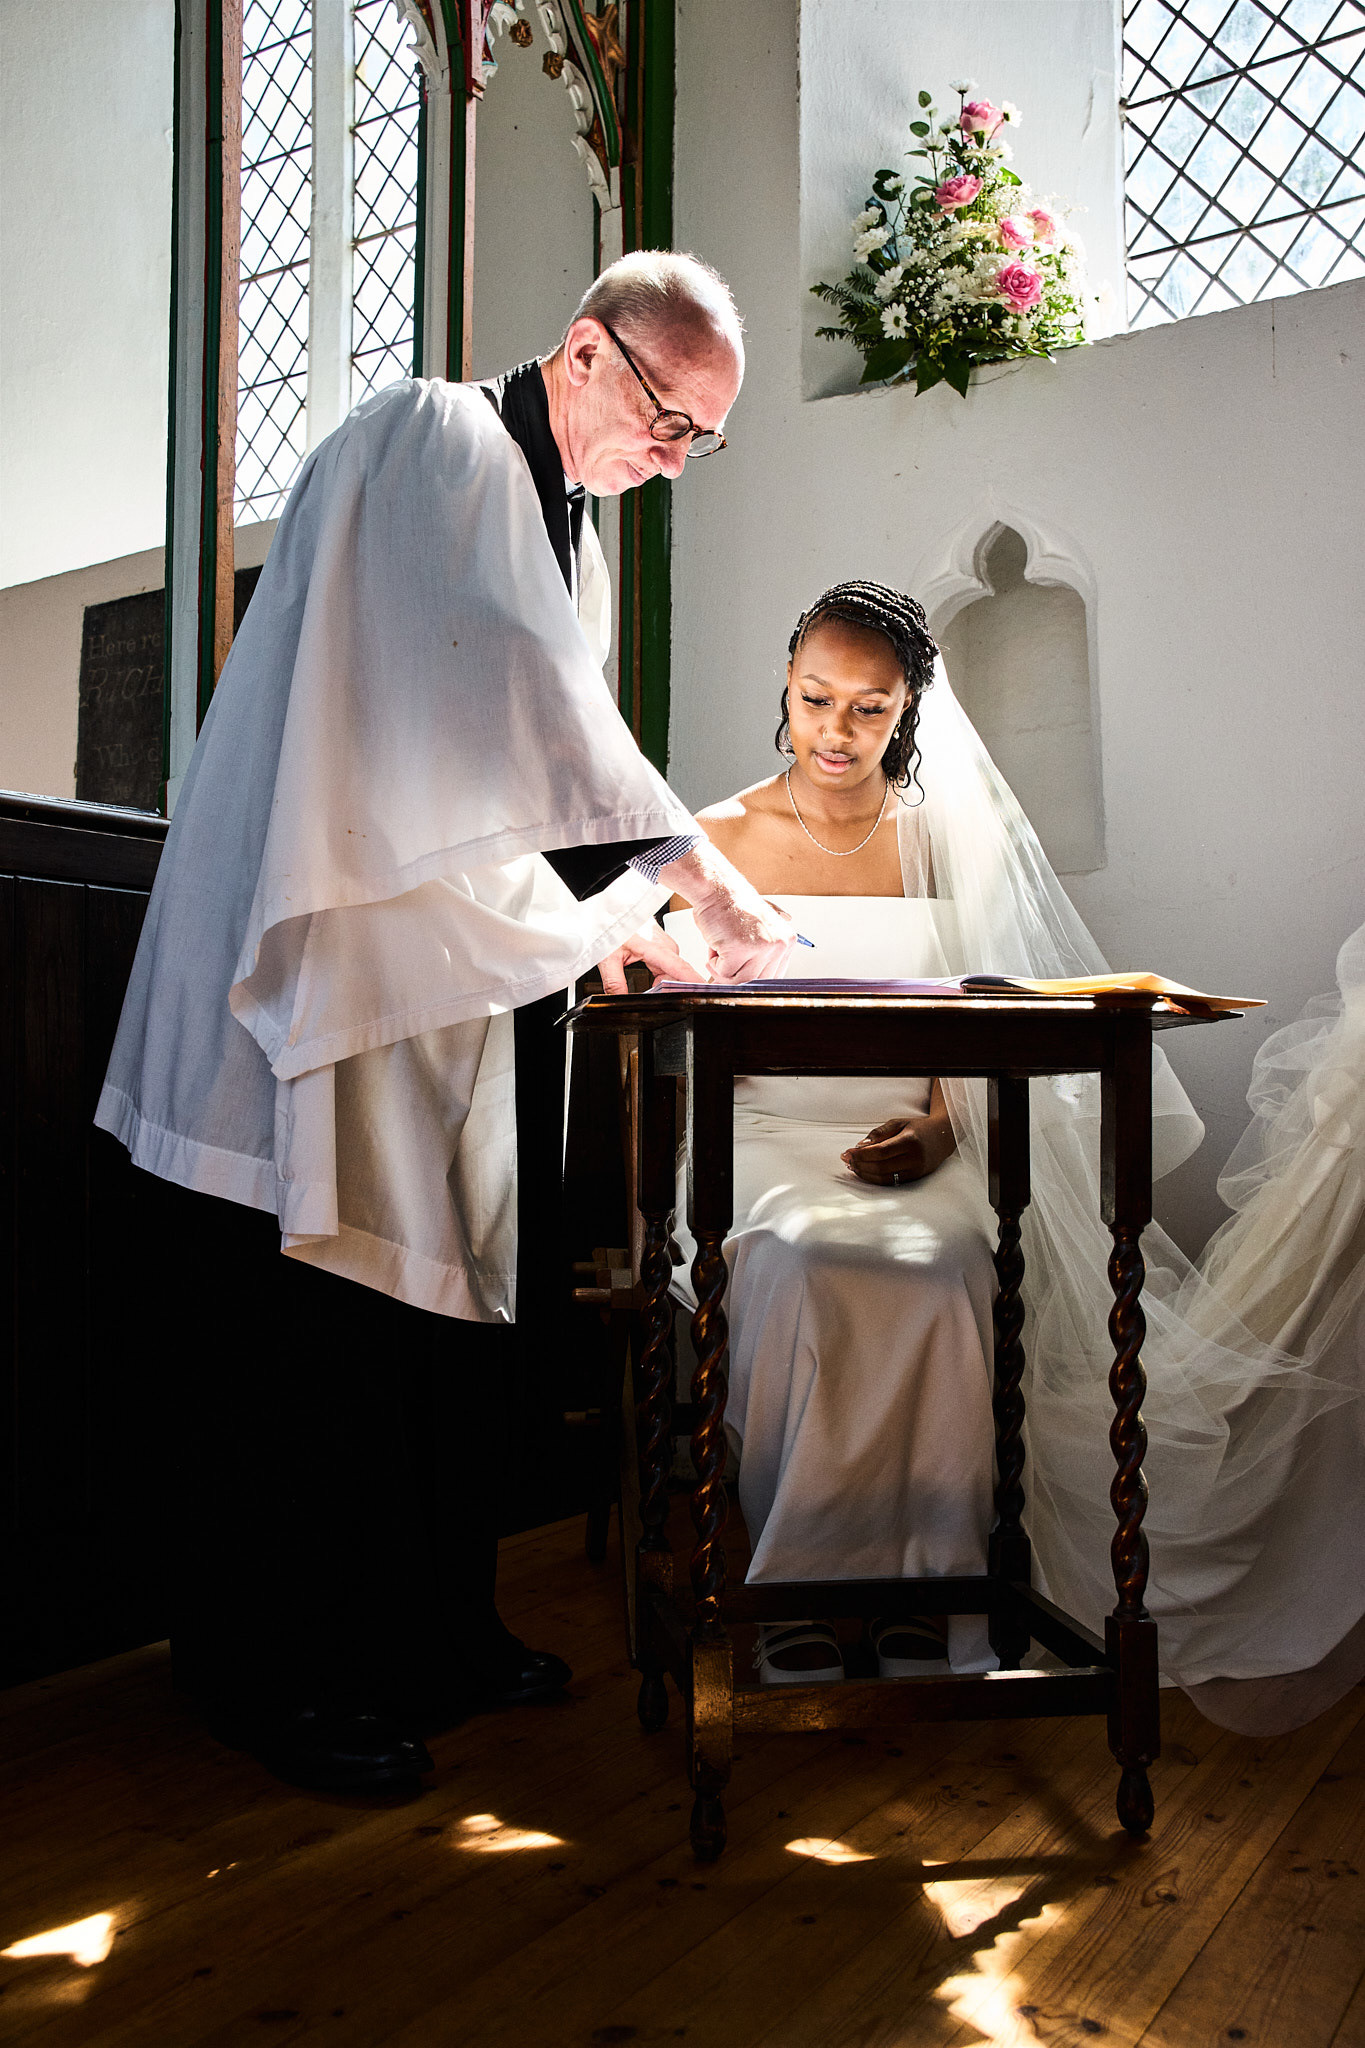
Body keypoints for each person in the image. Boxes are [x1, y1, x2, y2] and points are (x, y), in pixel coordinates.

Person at [96, 251, 794, 1794]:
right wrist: (695, 881)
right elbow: (521, 705)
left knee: (434, 1329)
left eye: (702, 439)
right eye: (668, 416)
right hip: (321, 953)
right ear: (584, 348)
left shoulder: (572, 532)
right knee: (305, 1338)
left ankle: (429, 1636)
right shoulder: (436, 436)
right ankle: (275, 1679)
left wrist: (624, 924)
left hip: (432, 981)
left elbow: (516, 771)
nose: (674, 458)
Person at [666, 580, 1365, 1725]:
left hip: (919, 1131)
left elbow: (979, 1011)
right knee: (799, 1259)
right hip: (763, 1134)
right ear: (785, 685)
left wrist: (943, 1126)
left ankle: (929, 1585)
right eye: (816, 699)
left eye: (869, 708)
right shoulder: (715, 837)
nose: (836, 730)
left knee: (950, 1267)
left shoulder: (943, 842)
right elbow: (672, 1003)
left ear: (909, 709)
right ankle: (802, 1588)